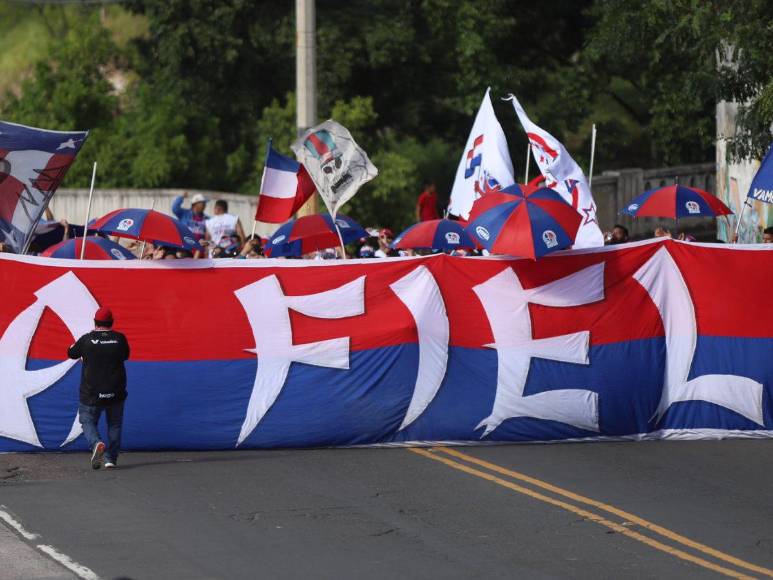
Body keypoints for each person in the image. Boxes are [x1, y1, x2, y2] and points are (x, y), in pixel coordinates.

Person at [67, 307, 130, 470]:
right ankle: (111, 460)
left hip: (92, 393)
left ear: (95, 322)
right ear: (111, 322)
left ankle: (96, 443)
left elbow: (71, 353)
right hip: (116, 392)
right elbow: (126, 355)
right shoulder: (120, 339)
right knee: (114, 424)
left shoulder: (87, 340)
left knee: (87, 420)